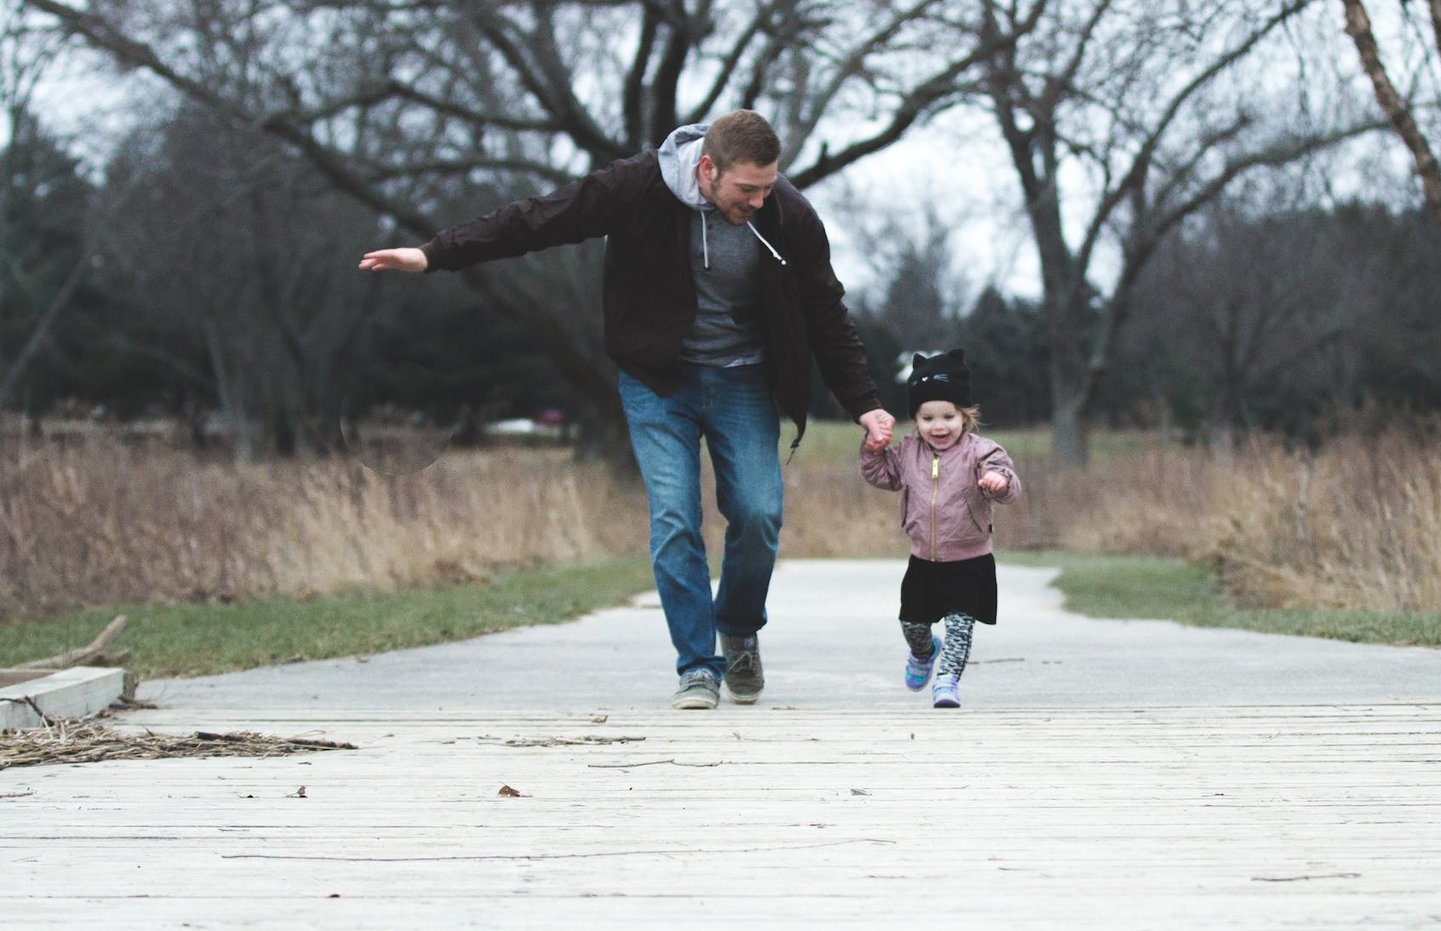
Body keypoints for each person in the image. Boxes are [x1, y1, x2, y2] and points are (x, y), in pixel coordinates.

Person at [360, 110, 895, 709]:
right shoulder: (637, 186)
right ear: (707, 168)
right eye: (747, 189)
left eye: (768, 185)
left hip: (742, 379)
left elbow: (826, 310)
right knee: (674, 519)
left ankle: (739, 627)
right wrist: (434, 255)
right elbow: (538, 219)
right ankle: (697, 665)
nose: (759, 199)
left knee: (759, 513)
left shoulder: (787, 214)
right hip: (657, 379)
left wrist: (865, 405)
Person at [860, 349, 1020, 709]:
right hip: (923, 560)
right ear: (915, 420)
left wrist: (999, 481)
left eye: (949, 416)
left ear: (965, 416)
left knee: (961, 628)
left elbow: (1010, 484)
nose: (939, 426)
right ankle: (926, 650)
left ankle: (947, 682)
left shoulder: (982, 452)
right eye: (927, 417)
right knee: (912, 625)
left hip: (970, 560)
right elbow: (880, 475)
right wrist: (872, 451)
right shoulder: (907, 452)